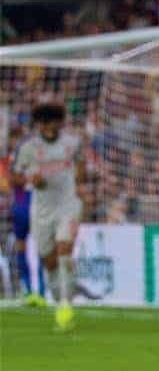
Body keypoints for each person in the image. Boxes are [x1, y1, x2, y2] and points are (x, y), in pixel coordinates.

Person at [10, 99, 84, 331]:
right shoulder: (28, 148)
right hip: (41, 209)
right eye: (43, 123)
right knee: (49, 260)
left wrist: (79, 180)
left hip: (67, 204)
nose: (47, 127)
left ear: (60, 123)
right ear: (38, 124)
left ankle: (65, 305)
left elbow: (81, 166)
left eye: (52, 122)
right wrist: (30, 180)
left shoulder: (72, 143)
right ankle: (60, 297)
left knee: (64, 248)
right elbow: (16, 177)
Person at [3, 126, 41, 306]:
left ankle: (39, 289)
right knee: (21, 244)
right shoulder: (18, 158)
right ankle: (28, 287)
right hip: (22, 206)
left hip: (36, 205)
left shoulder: (31, 157)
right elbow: (12, 179)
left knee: (41, 246)